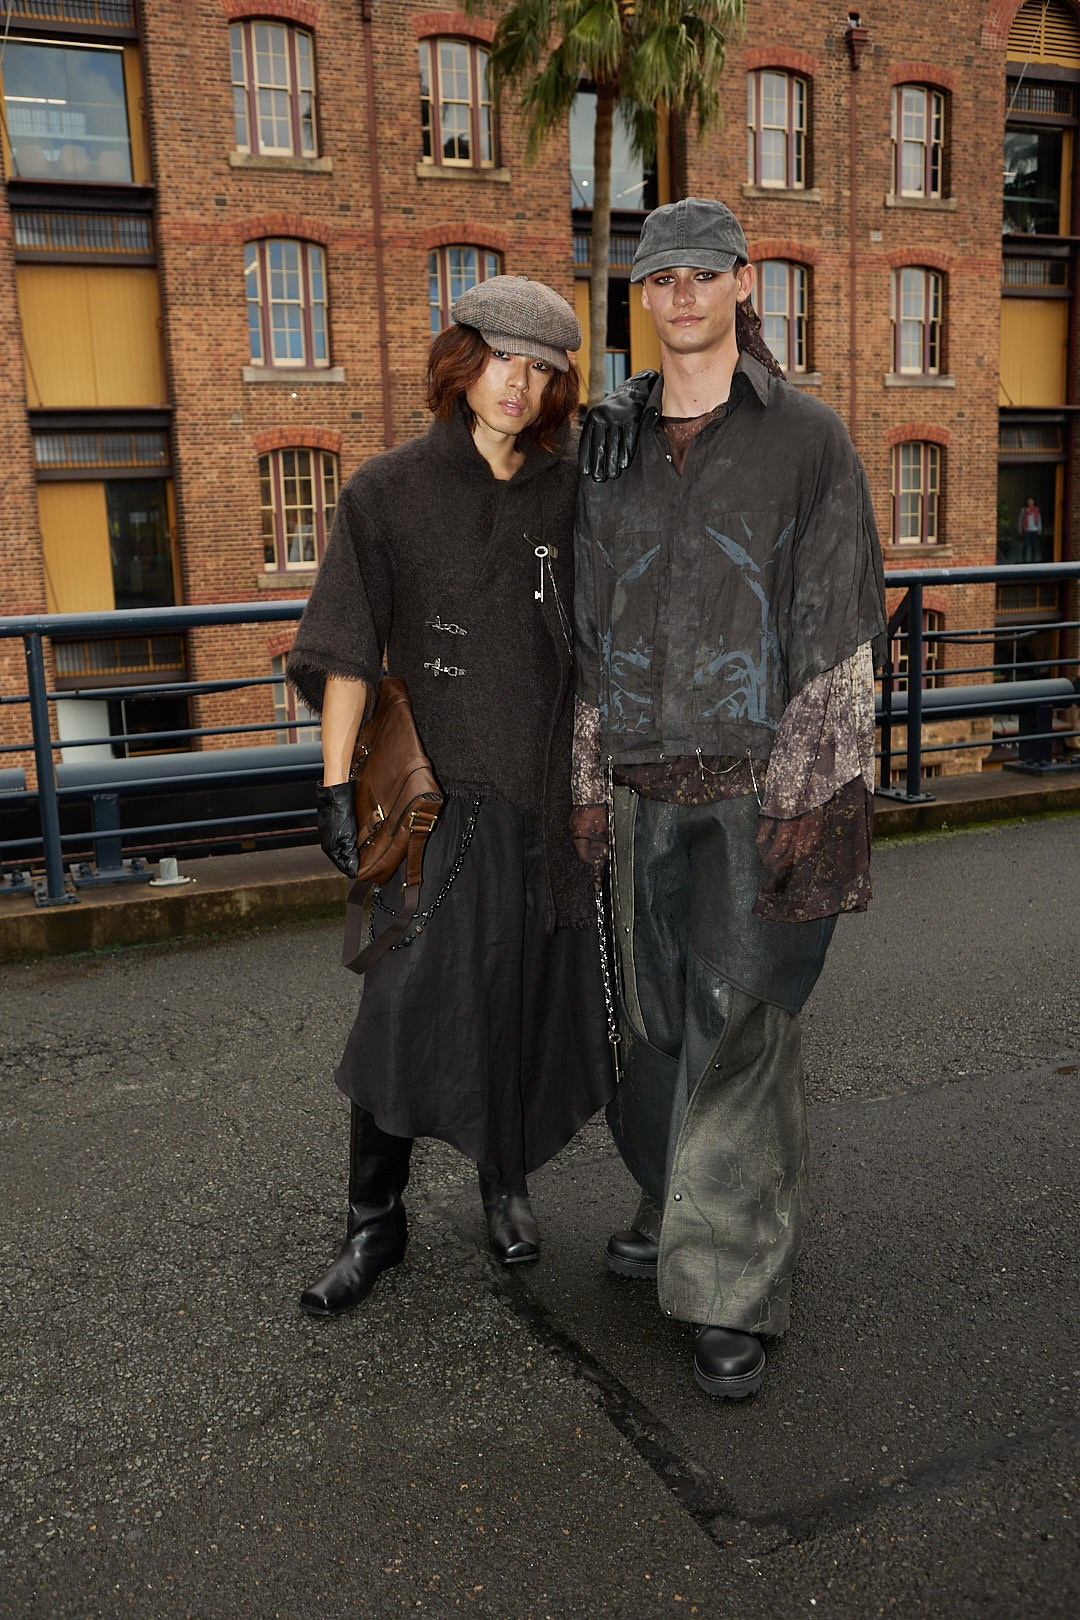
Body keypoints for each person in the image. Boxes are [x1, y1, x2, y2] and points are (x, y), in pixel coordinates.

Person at [572, 198, 887, 1399]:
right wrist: (586, 781)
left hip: (760, 776)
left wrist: (809, 796)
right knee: (654, 1022)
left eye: (707, 274)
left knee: (741, 1020)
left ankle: (729, 1289)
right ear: (641, 297)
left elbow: (841, 621)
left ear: (744, 284)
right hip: (641, 778)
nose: (685, 295)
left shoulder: (807, 440)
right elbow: (591, 628)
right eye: (663, 278)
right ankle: (675, 1208)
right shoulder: (610, 443)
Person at [287, 275, 615, 1317]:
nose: (520, 384)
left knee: (521, 1000)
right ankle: (372, 1223)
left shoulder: (571, 496)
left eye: (543, 368)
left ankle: (504, 1184)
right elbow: (344, 648)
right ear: (461, 360)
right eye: (503, 359)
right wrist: (335, 787)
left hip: (541, 800)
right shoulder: (385, 493)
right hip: (433, 807)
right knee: (400, 1011)